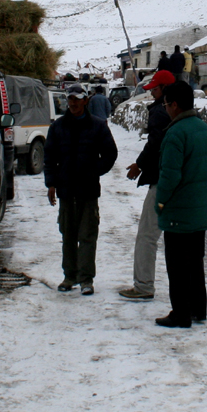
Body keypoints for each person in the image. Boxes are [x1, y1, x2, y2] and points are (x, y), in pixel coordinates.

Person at [153, 80, 207, 328]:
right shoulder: (203, 128)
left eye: (166, 103)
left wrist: (160, 203)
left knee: (177, 265)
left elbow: (169, 177)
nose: (165, 108)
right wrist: (197, 185)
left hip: (177, 213)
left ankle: (180, 313)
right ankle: (198, 309)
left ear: (175, 105)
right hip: (199, 211)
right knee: (195, 262)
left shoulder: (175, 133)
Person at [44, 83, 118, 296]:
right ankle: (69, 276)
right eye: (70, 99)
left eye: (77, 99)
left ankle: (86, 279)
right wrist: (51, 183)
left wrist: (95, 171)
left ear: (86, 100)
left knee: (87, 235)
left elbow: (110, 154)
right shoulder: (57, 127)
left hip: (88, 191)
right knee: (68, 234)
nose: (73, 103)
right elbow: (49, 158)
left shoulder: (97, 126)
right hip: (66, 191)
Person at [119, 68, 175, 300]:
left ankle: (143, 286)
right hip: (178, 183)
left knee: (147, 236)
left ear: (164, 90)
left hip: (161, 182)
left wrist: (139, 165)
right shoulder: (183, 114)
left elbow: (155, 144)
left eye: (155, 90)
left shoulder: (159, 113)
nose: (151, 94)